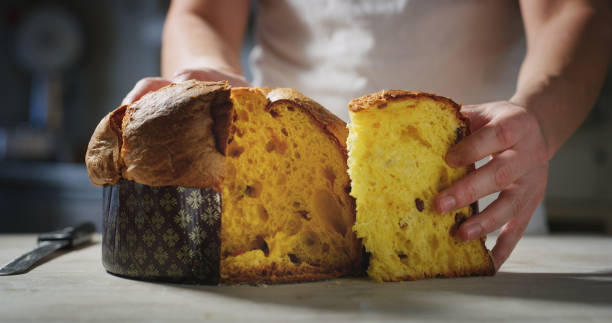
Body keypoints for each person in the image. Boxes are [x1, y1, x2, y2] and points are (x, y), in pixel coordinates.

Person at [122, 0, 612, 270]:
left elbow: (578, 10)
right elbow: (201, 11)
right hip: (279, 209)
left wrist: (537, 118)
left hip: (483, 199)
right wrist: (204, 76)